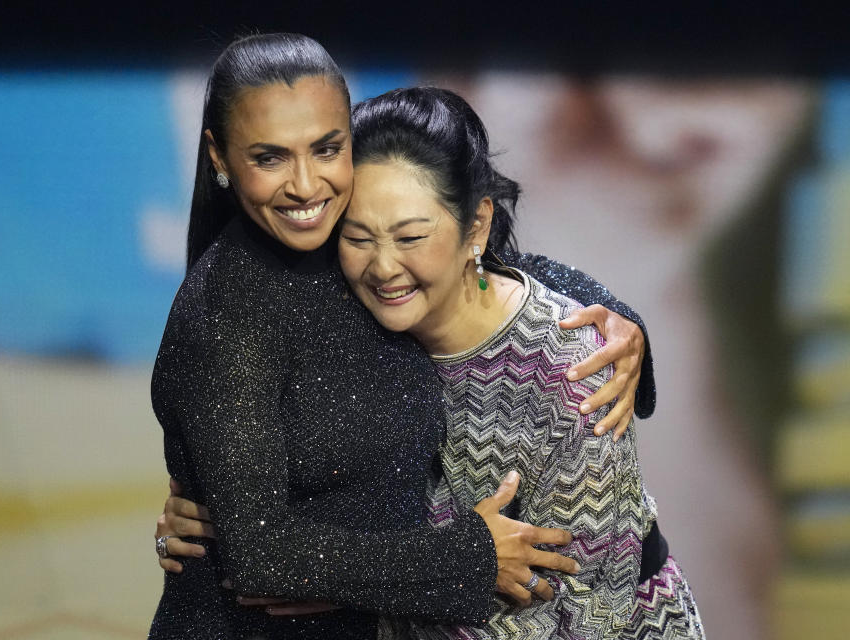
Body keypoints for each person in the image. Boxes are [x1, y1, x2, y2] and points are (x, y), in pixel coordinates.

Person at [149, 33, 653, 640]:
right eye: (270, 157)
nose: (306, 185)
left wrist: (619, 319)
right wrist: (471, 556)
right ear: (221, 157)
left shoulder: (337, 236)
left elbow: (471, 252)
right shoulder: (231, 307)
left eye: (326, 148)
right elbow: (262, 552)